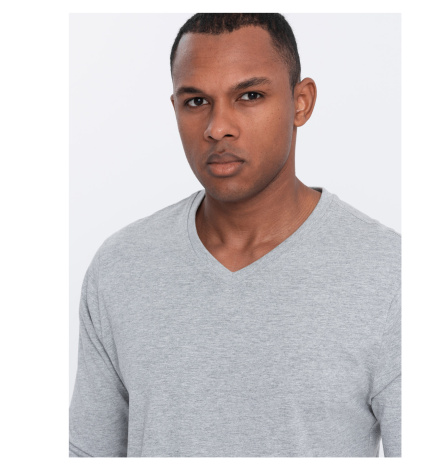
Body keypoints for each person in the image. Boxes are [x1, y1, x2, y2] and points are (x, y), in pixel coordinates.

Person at [69, 13, 401, 458]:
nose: (217, 127)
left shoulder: (389, 274)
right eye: (196, 101)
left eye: (249, 95)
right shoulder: (121, 268)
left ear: (301, 102)